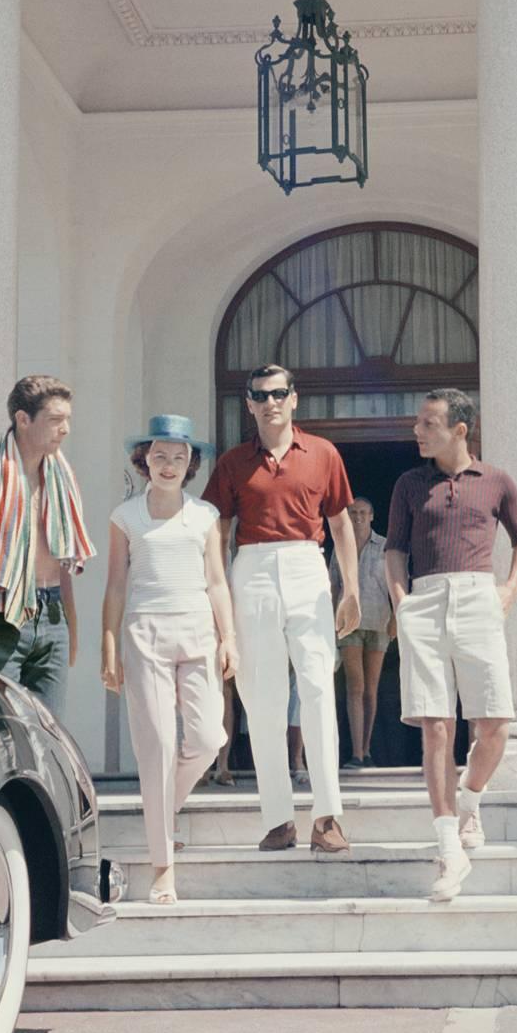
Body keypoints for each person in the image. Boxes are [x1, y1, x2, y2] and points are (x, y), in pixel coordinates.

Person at [203, 363, 361, 854]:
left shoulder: (323, 453)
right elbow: (217, 536)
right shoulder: (232, 463)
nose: (270, 402)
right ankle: (278, 819)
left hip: (306, 566)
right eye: (260, 395)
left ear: (295, 398)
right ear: (248, 404)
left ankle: (327, 817)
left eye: (279, 393)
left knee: (317, 687)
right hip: (250, 568)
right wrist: (218, 605)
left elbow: (340, 524)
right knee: (261, 697)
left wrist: (350, 588)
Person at [385, 388, 517, 902]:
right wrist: (402, 603)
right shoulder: (409, 483)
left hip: (478, 597)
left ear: (459, 430)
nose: (417, 431)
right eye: (419, 422)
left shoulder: (496, 481)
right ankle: (448, 847)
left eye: (429, 423)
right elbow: (394, 550)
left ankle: (470, 800)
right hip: (424, 602)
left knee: (495, 721)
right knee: (436, 724)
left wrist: (509, 590)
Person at [101, 414, 236, 906]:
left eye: (179, 457)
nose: (169, 464)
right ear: (144, 461)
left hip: (197, 630)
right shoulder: (125, 516)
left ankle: (162, 813)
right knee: (156, 745)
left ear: (191, 464)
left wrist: (230, 638)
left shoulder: (204, 516)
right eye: (159, 456)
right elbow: (116, 585)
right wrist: (109, 646)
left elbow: (218, 581)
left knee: (206, 739)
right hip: (144, 633)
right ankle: (163, 868)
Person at [0, 375, 95, 711]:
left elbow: (64, 557)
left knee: (49, 730)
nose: (66, 429)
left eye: (68, 419)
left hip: (53, 616)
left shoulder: (62, 479)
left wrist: (70, 625)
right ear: (23, 419)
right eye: (56, 420)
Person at [333, 496, 394, 768]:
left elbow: (395, 583)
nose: (357, 517)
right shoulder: (339, 546)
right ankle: (356, 753)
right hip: (349, 624)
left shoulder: (384, 547)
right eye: (353, 512)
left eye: (362, 512)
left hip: (379, 620)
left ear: (372, 516)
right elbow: (333, 585)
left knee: (371, 688)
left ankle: (367, 750)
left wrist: (397, 617)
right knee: (354, 686)